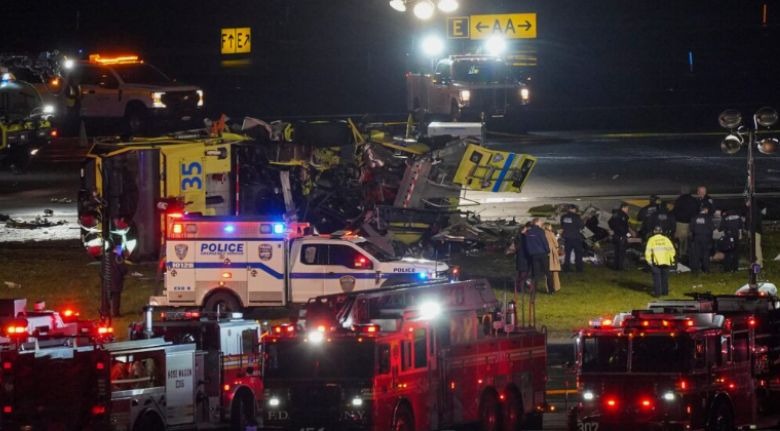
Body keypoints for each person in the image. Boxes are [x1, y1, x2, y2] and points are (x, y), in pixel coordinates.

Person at [645, 226, 676, 297]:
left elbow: (648, 251)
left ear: (654, 231)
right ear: (661, 231)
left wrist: (649, 261)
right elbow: (672, 251)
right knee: (665, 277)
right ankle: (665, 292)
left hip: (656, 261)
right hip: (666, 261)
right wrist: (671, 259)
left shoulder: (651, 239)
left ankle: (657, 293)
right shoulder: (666, 239)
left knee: (657, 277)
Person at [673, 186, 699, 260]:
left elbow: (675, 211)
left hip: (681, 223)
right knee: (688, 240)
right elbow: (697, 211)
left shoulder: (679, 200)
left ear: (682, 191)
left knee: (680, 240)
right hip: (691, 223)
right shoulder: (694, 200)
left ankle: (681, 255)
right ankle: (688, 254)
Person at [525, 218, 550, 293]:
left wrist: (530, 252)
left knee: (535, 273)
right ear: (537, 223)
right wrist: (548, 250)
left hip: (533, 254)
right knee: (547, 272)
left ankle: (534, 289)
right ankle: (550, 289)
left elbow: (527, 244)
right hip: (542, 253)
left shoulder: (529, 232)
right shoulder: (540, 231)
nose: (542, 222)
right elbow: (544, 241)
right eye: (540, 221)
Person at [689, 206, 714, 273]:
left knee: (696, 253)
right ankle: (705, 269)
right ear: (705, 210)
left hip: (697, 237)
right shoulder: (708, 217)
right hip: (706, 237)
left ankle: (695, 269)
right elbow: (712, 227)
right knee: (706, 253)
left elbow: (691, 228)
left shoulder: (694, 217)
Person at [560, 205, 584, 272]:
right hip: (576, 238)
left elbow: (562, 225)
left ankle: (566, 268)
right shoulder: (576, 216)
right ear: (573, 209)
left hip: (567, 238)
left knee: (567, 254)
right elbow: (582, 226)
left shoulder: (563, 217)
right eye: (575, 209)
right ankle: (579, 269)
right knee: (578, 254)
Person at [718, 208, 743, 272]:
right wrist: (740, 236)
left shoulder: (725, 217)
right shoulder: (738, 216)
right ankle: (735, 268)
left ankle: (727, 268)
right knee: (736, 253)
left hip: (728, 237)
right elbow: (741, 227)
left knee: (728, 253)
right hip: (736, 236)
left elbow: (720, 228)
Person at [510, 223, 532, 294]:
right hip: (524, 258)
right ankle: (520, 288)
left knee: (521, 274)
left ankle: (520, 288)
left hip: (520, 257)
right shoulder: (523, 237)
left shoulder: (518, 237)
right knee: (523, 274)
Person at [608, 203, 631, 270]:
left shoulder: (616, 214)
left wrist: (614, 230)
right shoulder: (623, 215)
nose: (628, 210)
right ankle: (620, 267)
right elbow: (625, 228)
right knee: (621, 252)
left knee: (617, 251)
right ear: (623, 208)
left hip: (616, 235)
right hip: (621, 236)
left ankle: (616, 266)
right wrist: (626, 235)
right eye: (627, 208)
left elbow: (610, 222)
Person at [543, 223, 561, 292]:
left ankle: (548, 288)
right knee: (554, 271)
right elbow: (556, 244)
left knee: (547, 272)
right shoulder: (551, 234)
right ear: (548, 227)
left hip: (545, 253)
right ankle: (556, 286)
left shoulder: (542, 234)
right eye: (550, 226)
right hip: (552, 254)